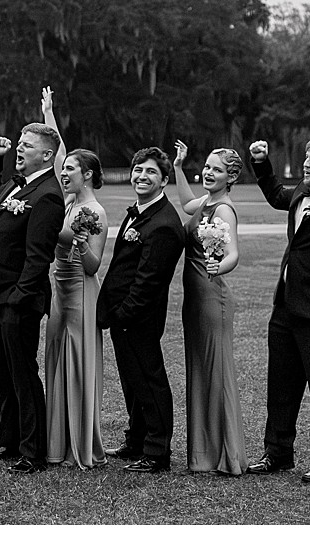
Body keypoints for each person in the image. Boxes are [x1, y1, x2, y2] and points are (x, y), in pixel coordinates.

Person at [0, 123, 65, 475]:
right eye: (20, 144)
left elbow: (38, 257)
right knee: (2, 373)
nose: (19, 149)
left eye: (27, 146)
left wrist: (18, 298)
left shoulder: (48, 195)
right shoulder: (17, 183)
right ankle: (9, 440)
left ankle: (32, 450)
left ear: (47, 155)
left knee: (23, 374)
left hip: (18, 299)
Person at [247, 135, 310, 484]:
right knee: (281, 384)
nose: (306, 163)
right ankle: (277, 452)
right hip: (286, 303)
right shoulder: (303, 189)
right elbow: (276, 196)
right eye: (306, 156)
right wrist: (261, 163)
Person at [97, 147, 186, 474]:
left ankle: (157, 452)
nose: (141, 176)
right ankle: (136, 439)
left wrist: (123, 315)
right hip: (123, 315)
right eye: (138, 170)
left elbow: (149, 280)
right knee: (132, 382)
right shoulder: (140, 212)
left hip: (138, 317)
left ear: (164, 180)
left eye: (150, 172)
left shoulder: (163, 223)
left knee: (149, 382)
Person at [40, 88, 109, 470]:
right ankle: (57, 441)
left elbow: (93, 265)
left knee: (78, 366)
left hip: (82, 293)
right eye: (64, 170)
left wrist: (81, 244)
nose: (64, 173)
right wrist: (50, 114)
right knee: (55, 360)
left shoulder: (94, 210)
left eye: (71, 170)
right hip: (58, 291)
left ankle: (80, 444)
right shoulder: (68, 201)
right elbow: (58, 156)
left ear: (88, 175)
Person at [171, 141, 248, 475]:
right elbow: (186, 203)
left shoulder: (224, 210)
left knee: (216, 372)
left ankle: (224, 454)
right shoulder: (206, 202)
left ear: (231, 177)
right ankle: (204, 453)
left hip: (211, 297)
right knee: (201, 371)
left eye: (217, 169)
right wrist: (178, 166)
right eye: (207, 167)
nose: (208, 172)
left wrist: (220, 267)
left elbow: (233, 253)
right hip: (195, 298)